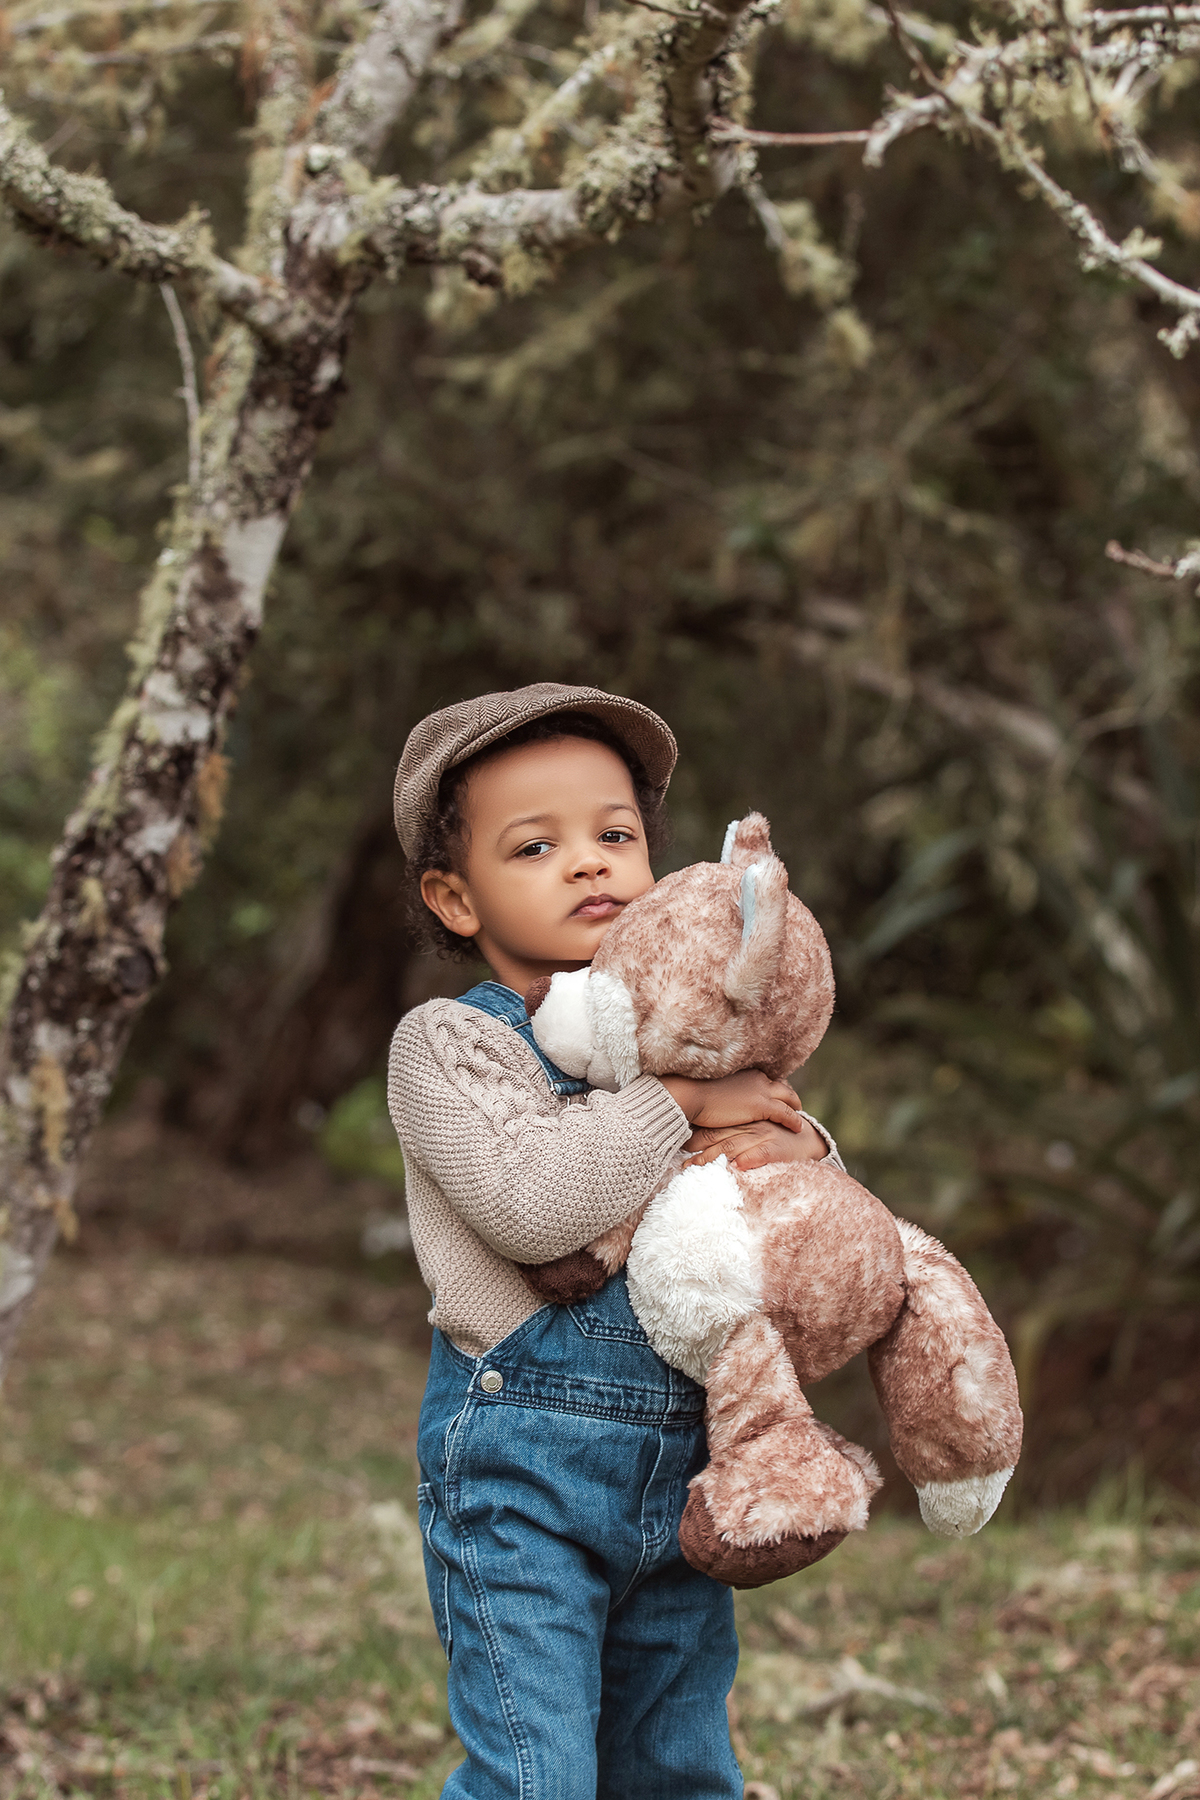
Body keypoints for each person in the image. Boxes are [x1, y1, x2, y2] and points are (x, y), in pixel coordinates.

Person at [387, 682, 844, 1800]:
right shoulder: (452, 1047)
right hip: (520, 1481)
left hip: (684, 1472)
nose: (588, 863)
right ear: (455, 897)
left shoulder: (697, 1041)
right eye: (535, 846)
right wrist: (679, 1107)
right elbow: (531, 1204)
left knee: (677, 1768)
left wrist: (803, 1147)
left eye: (616, 835)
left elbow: (800, 1214)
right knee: (536, 1773)